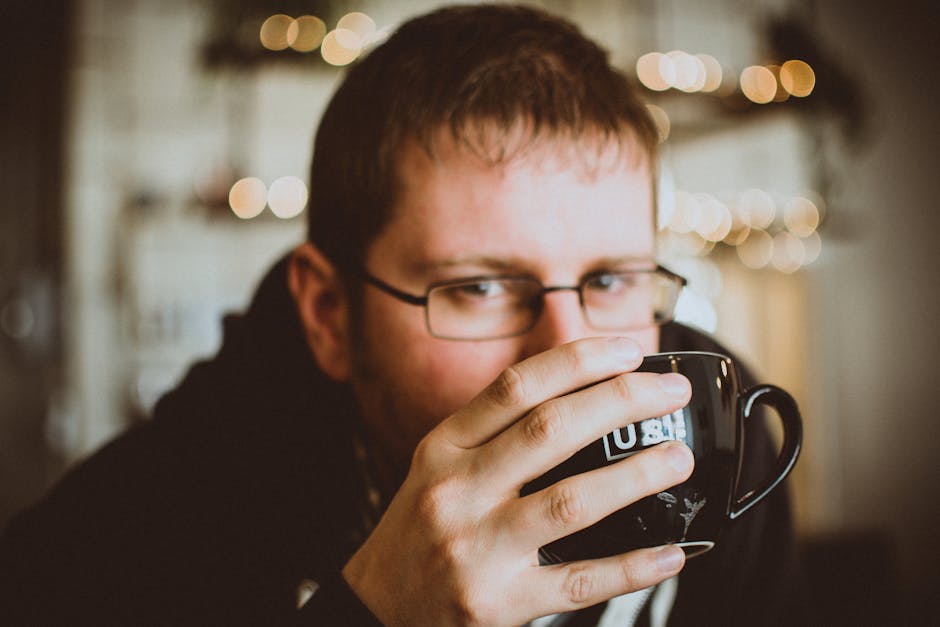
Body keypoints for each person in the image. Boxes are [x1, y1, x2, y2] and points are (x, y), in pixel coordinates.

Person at [0, 4, 804, 625]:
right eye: (479, 287)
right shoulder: (150, 520)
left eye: (613, 279)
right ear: (328, 314)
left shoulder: (721, 437)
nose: (569, 353)